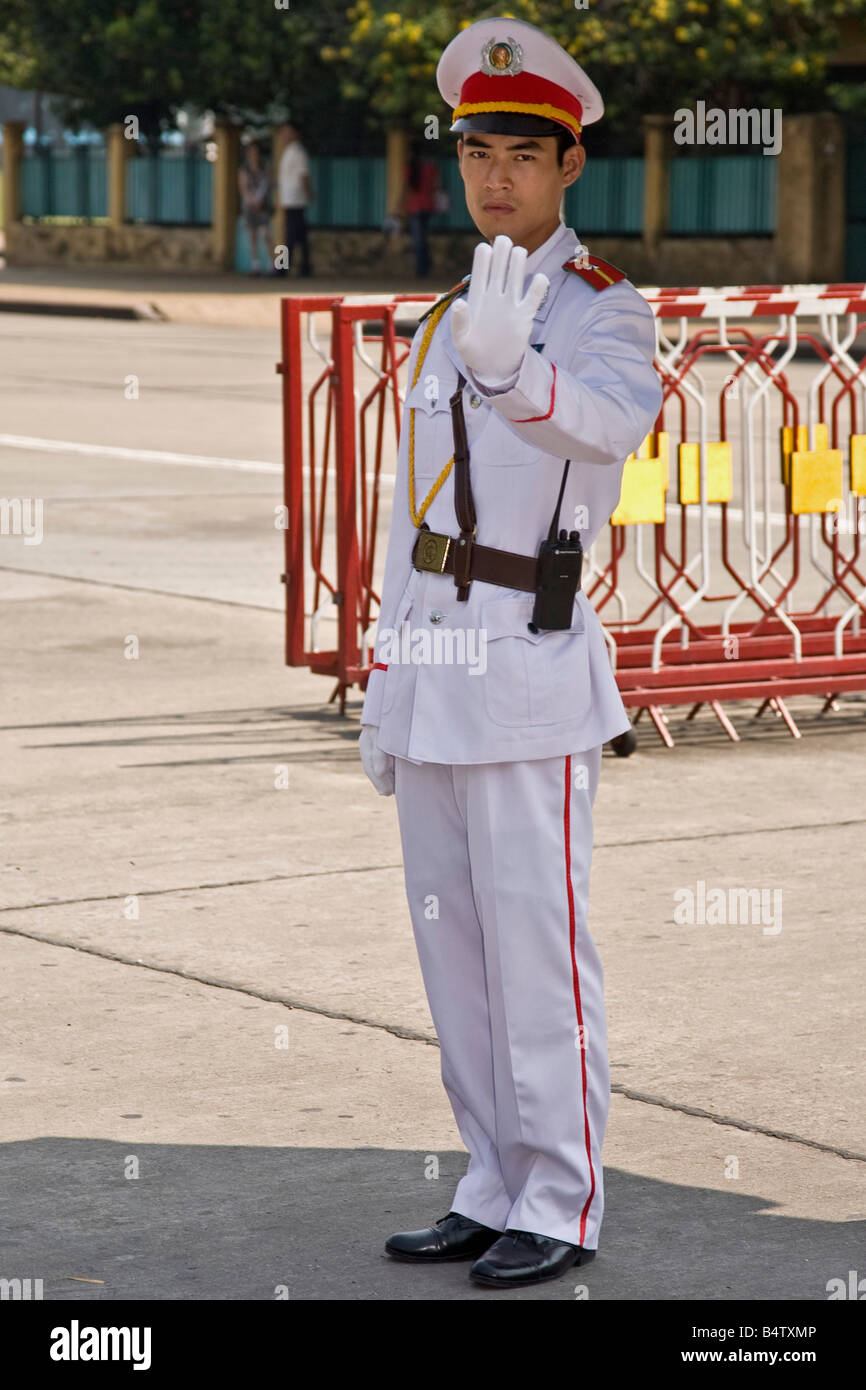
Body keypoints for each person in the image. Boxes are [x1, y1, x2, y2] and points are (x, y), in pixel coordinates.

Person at [358, 15, 662, 1290]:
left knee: (538, 952)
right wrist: (377, 672)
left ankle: (561, 1193)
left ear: (568, 164)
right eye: (478, 150)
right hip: (433, 672)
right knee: (455, 949)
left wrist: (510, 379)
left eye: (522, 154)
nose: (494, 177)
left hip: (530, 673)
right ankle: (488, 1180)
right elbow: (404, 513)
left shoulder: (604, 310)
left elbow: (607, 433)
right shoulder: (440, 318)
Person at [277, 122, 313, 277]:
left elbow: (303, 175)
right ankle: (305, 266)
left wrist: (308, 193)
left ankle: (283, 267)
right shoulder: (289, 151)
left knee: (289, 236)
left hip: (295, 200)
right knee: (300, 236)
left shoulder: (298, 152)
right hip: (289, 199)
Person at [399, 141, 439, 278]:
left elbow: (406, 189)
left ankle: (422, 268)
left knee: (418, 239)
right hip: (428, 205)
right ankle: (425, 265)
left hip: (414, 207)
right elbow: (436, 186)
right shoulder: (430, 167)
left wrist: (400, 205)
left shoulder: (410, 168)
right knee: (422, 238)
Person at [237, 141, 273, 276]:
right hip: (250, 206)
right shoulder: (244, 169)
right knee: (252, 235)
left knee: (266, 234)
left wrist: (260, 200)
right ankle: (255, 264)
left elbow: (269, 184)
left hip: (263, 206)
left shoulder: (265, 168)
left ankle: (273, 264)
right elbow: (243, 188)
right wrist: (252, 200)